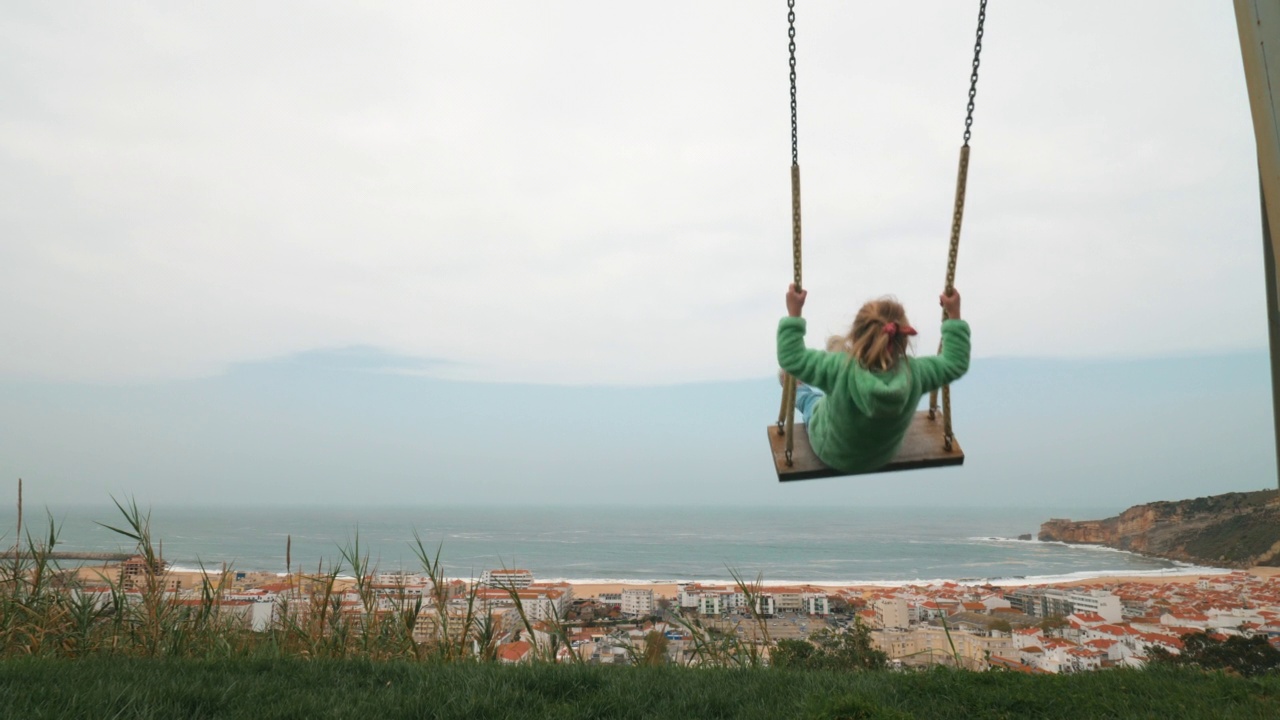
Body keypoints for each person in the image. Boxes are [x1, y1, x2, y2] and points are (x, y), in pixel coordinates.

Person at [777, 283, 970, 473]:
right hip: (881, 455)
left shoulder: (839, 369)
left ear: (856, 334)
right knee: (834, 391)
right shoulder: (916, 373)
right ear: (903, 338)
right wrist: (954, 316)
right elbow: (955, 362)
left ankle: (801, 389)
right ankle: (840, 352)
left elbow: (791, 357)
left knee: (813, 402)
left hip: (831, 451)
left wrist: (794, 312)